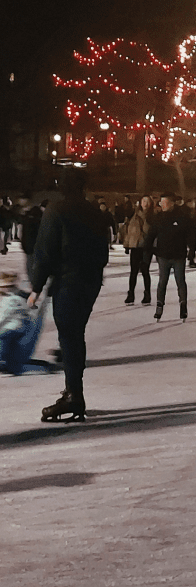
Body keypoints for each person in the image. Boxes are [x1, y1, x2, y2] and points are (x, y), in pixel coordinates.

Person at [28, 169, 110, 421]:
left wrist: (36, 287)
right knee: (75, 335)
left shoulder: (56, 210)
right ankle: (74, 391)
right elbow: (103, 252)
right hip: (90, 282)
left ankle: (74, 395)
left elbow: (44, 251)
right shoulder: (95, 212)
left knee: (70, 337)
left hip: (68, 282)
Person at [144, 192, 196, 321]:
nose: (162, 205)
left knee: (180, 281)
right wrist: (148, 252)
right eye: (161, 203)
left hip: (178, 256)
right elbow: (150, 236)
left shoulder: (182, 217)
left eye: (165, 203)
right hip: (163, 256)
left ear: (172, 203)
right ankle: (159, 305)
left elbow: (192, 234)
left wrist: (191, 251)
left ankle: (183, 305)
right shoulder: (159, 218)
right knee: (162, 281)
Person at [122, 195, 154, 305]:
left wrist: (144, 219)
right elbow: (129, 230)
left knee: (145, 271)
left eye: (148, 201)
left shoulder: (152, 216)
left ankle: (147, 294)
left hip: (146, 247)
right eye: (143, 201)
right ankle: (131, 294)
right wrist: (127, 244)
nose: (145, 203)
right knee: (133, 272)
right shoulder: (134, 215)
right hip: (135, 246)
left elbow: (149, 230)